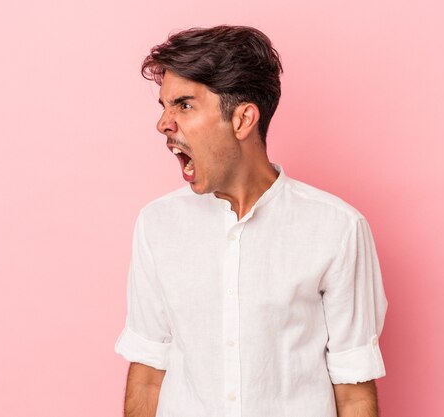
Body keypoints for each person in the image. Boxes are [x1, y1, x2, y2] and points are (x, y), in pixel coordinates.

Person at [114, 25, 388, 417]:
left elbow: (354, 388)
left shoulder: (337, 229)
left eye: (185, 105)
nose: (164, 124)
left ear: (243, 120)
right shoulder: (157, 224)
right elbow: (147, 370)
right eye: (164, 106)